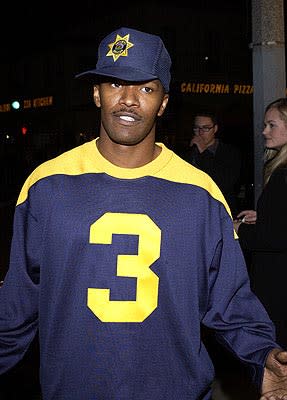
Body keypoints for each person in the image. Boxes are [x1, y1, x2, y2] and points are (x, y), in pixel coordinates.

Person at [1, 26, 287, 400]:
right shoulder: (47, 185)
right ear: (96, 93)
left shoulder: (200, 194)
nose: (129, 100)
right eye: (115, 84)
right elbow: (17, 305)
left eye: (146, 88)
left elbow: (230, 300)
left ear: (164, 103)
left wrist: (262, 354)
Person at [234, 97, 287, 350]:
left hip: (278, 288)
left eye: (271, 125)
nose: (264, 131)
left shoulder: (283, 174)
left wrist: (239, 230)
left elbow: (275, 238)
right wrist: (263, 216)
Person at [181, 111, 242, 217]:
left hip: (219, 212)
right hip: (191, 211)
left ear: (215, 129)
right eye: (197, 128)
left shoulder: (229, 152)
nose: (200, 133)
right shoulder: (186, 153)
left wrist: (204, 152)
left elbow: (223, 183)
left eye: (205, 128)